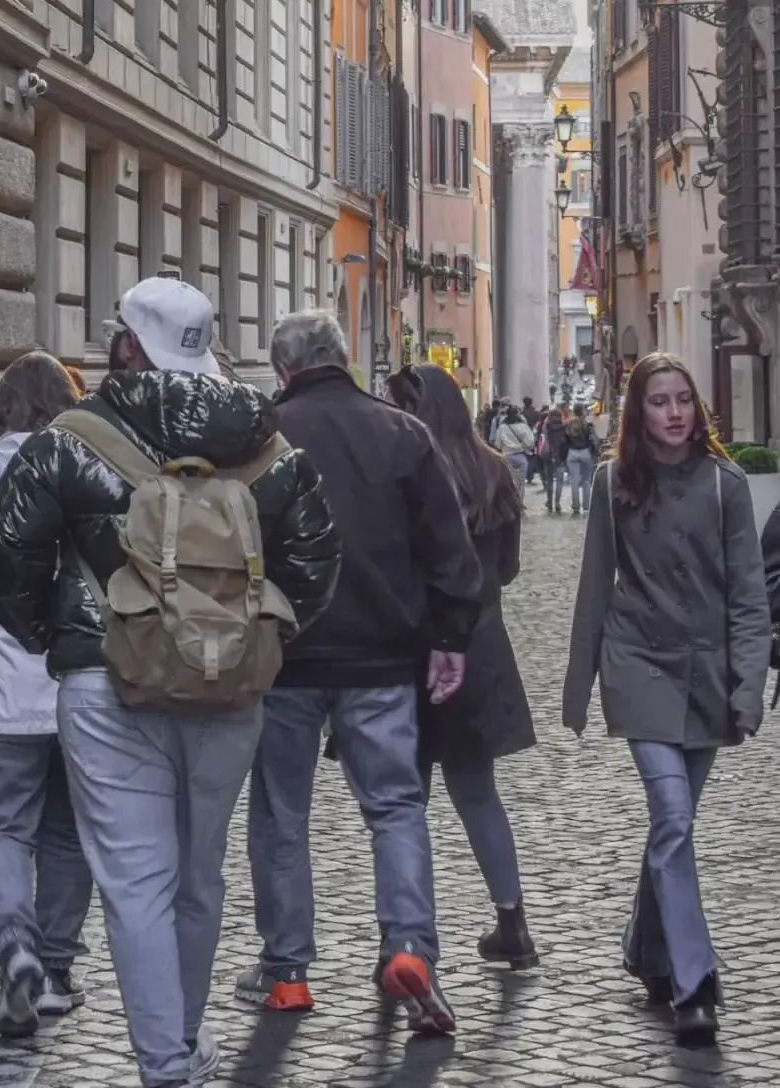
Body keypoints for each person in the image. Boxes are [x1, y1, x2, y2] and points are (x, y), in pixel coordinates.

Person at [0, 278, 339, 1088]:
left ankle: (164, 1063)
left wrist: (54, 636)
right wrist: (258, 637)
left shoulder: (70, 439)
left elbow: (6, 551)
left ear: (125, 345)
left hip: (104, 680)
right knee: (198, 873)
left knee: (134, 878)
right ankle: (180, 1035)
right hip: (232, 688)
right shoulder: (266, 447)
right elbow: (315, 562)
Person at [236, 314, 482, 1037]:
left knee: (281, 815)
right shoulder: (401, 432)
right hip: (381, 654)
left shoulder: (262, 435)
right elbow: (447, 546)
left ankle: (286, 973)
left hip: (284, 656)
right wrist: (449, 636)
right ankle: (409, 948)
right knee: (395, 809)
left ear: (282, 370)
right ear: (345, 357)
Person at [563, 354, 770, 1047]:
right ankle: (693, 982)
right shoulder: (611, 484)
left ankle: (641, 945)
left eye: (683, 399)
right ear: (637, 411)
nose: (675, 413)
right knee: (673, 818)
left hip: (706, 677)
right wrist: (577, 687)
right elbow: (594, 587)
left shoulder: (726, 485)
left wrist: (749, 685)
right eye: (659, 401)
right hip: (637, 667)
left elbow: (747, 596)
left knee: (668, 832)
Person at [0, 354, 93, 1040]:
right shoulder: (87, 469)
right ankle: (57, 970)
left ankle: (14, 948)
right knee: (69, 830)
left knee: (0, 825)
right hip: (78, 680)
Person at [387, 366, 537, 970]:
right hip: (481, 648)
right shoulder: (494, 470)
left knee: (405, 801)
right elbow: (506, 570)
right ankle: (512, 922)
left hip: (413, 649)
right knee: (477, 794)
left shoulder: (408, 472)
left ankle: (405, 936)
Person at [563, 406, 599, 516]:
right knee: (586, 481)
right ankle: (587, 505)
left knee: (574, 480)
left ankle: (575, 506)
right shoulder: (587, 425)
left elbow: (564, 441)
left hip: (572, 452)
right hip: (585, 452)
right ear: (583, 411)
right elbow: (594, 440)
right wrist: (594, 452)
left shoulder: (568, 425)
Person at [493, 406, 535, 489]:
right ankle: (520, 499)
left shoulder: (502, 427)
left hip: (506, 456)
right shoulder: (523, 426)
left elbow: (497, 444)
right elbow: (530, 442)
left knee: (507, 482)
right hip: (520, 457)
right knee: (521, 482)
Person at [539, 404, 568, 515]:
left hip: (548, 456)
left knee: (550, 480)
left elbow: (541, 440)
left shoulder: (545, 427)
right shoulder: (564, 426)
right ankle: (557, 503)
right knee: (559, 481)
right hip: (560, 457)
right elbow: (566, 442)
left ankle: (550, 502)